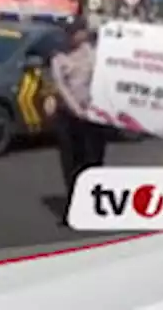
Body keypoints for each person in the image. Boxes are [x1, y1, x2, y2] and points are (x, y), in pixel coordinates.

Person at [44, 17, 108, 224]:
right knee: (71, 163)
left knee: (92, 162)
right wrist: (76, 109)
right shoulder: (59, 57)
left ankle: (92, 206)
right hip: (69, 118)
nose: (72, 36)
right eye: (69, 32)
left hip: (94, 117)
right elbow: (61, 87)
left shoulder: (96, 54)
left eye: (76, 32)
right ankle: (73, 208)